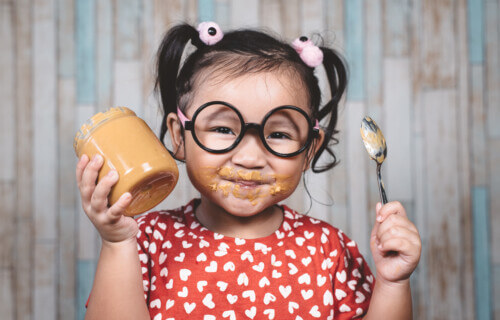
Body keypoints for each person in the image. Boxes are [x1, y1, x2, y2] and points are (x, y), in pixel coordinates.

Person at [76, 21, 421, 320]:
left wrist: (392, 283)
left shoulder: (329, 250)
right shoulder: (145, 241)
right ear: (180, 136)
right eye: (224, 129)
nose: (250, 157)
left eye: (280, 134)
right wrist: (118, 244)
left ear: (309, 149)